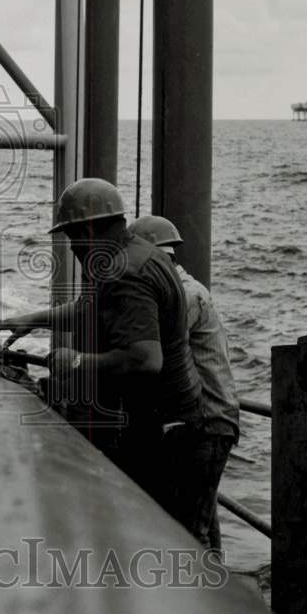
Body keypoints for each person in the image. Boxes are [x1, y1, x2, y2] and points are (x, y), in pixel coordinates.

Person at [0, 178, 203, 523]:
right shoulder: (144, 253)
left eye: (72, 239)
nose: (72, 250)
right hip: (174, 418)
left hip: (159, 429)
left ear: (88, 231)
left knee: (148, 530)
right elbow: (91, 309)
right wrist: (33, 320)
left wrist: (77, 360)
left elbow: (145, 360)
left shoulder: (124, 273)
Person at [129, 215, 240, 551]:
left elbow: (153, 353)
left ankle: (206, 599)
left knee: (191, 532)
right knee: (202, 517)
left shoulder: (185, 297)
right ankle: (221, 594)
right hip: (208, 421)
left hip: (205, 422)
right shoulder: (187, 291)